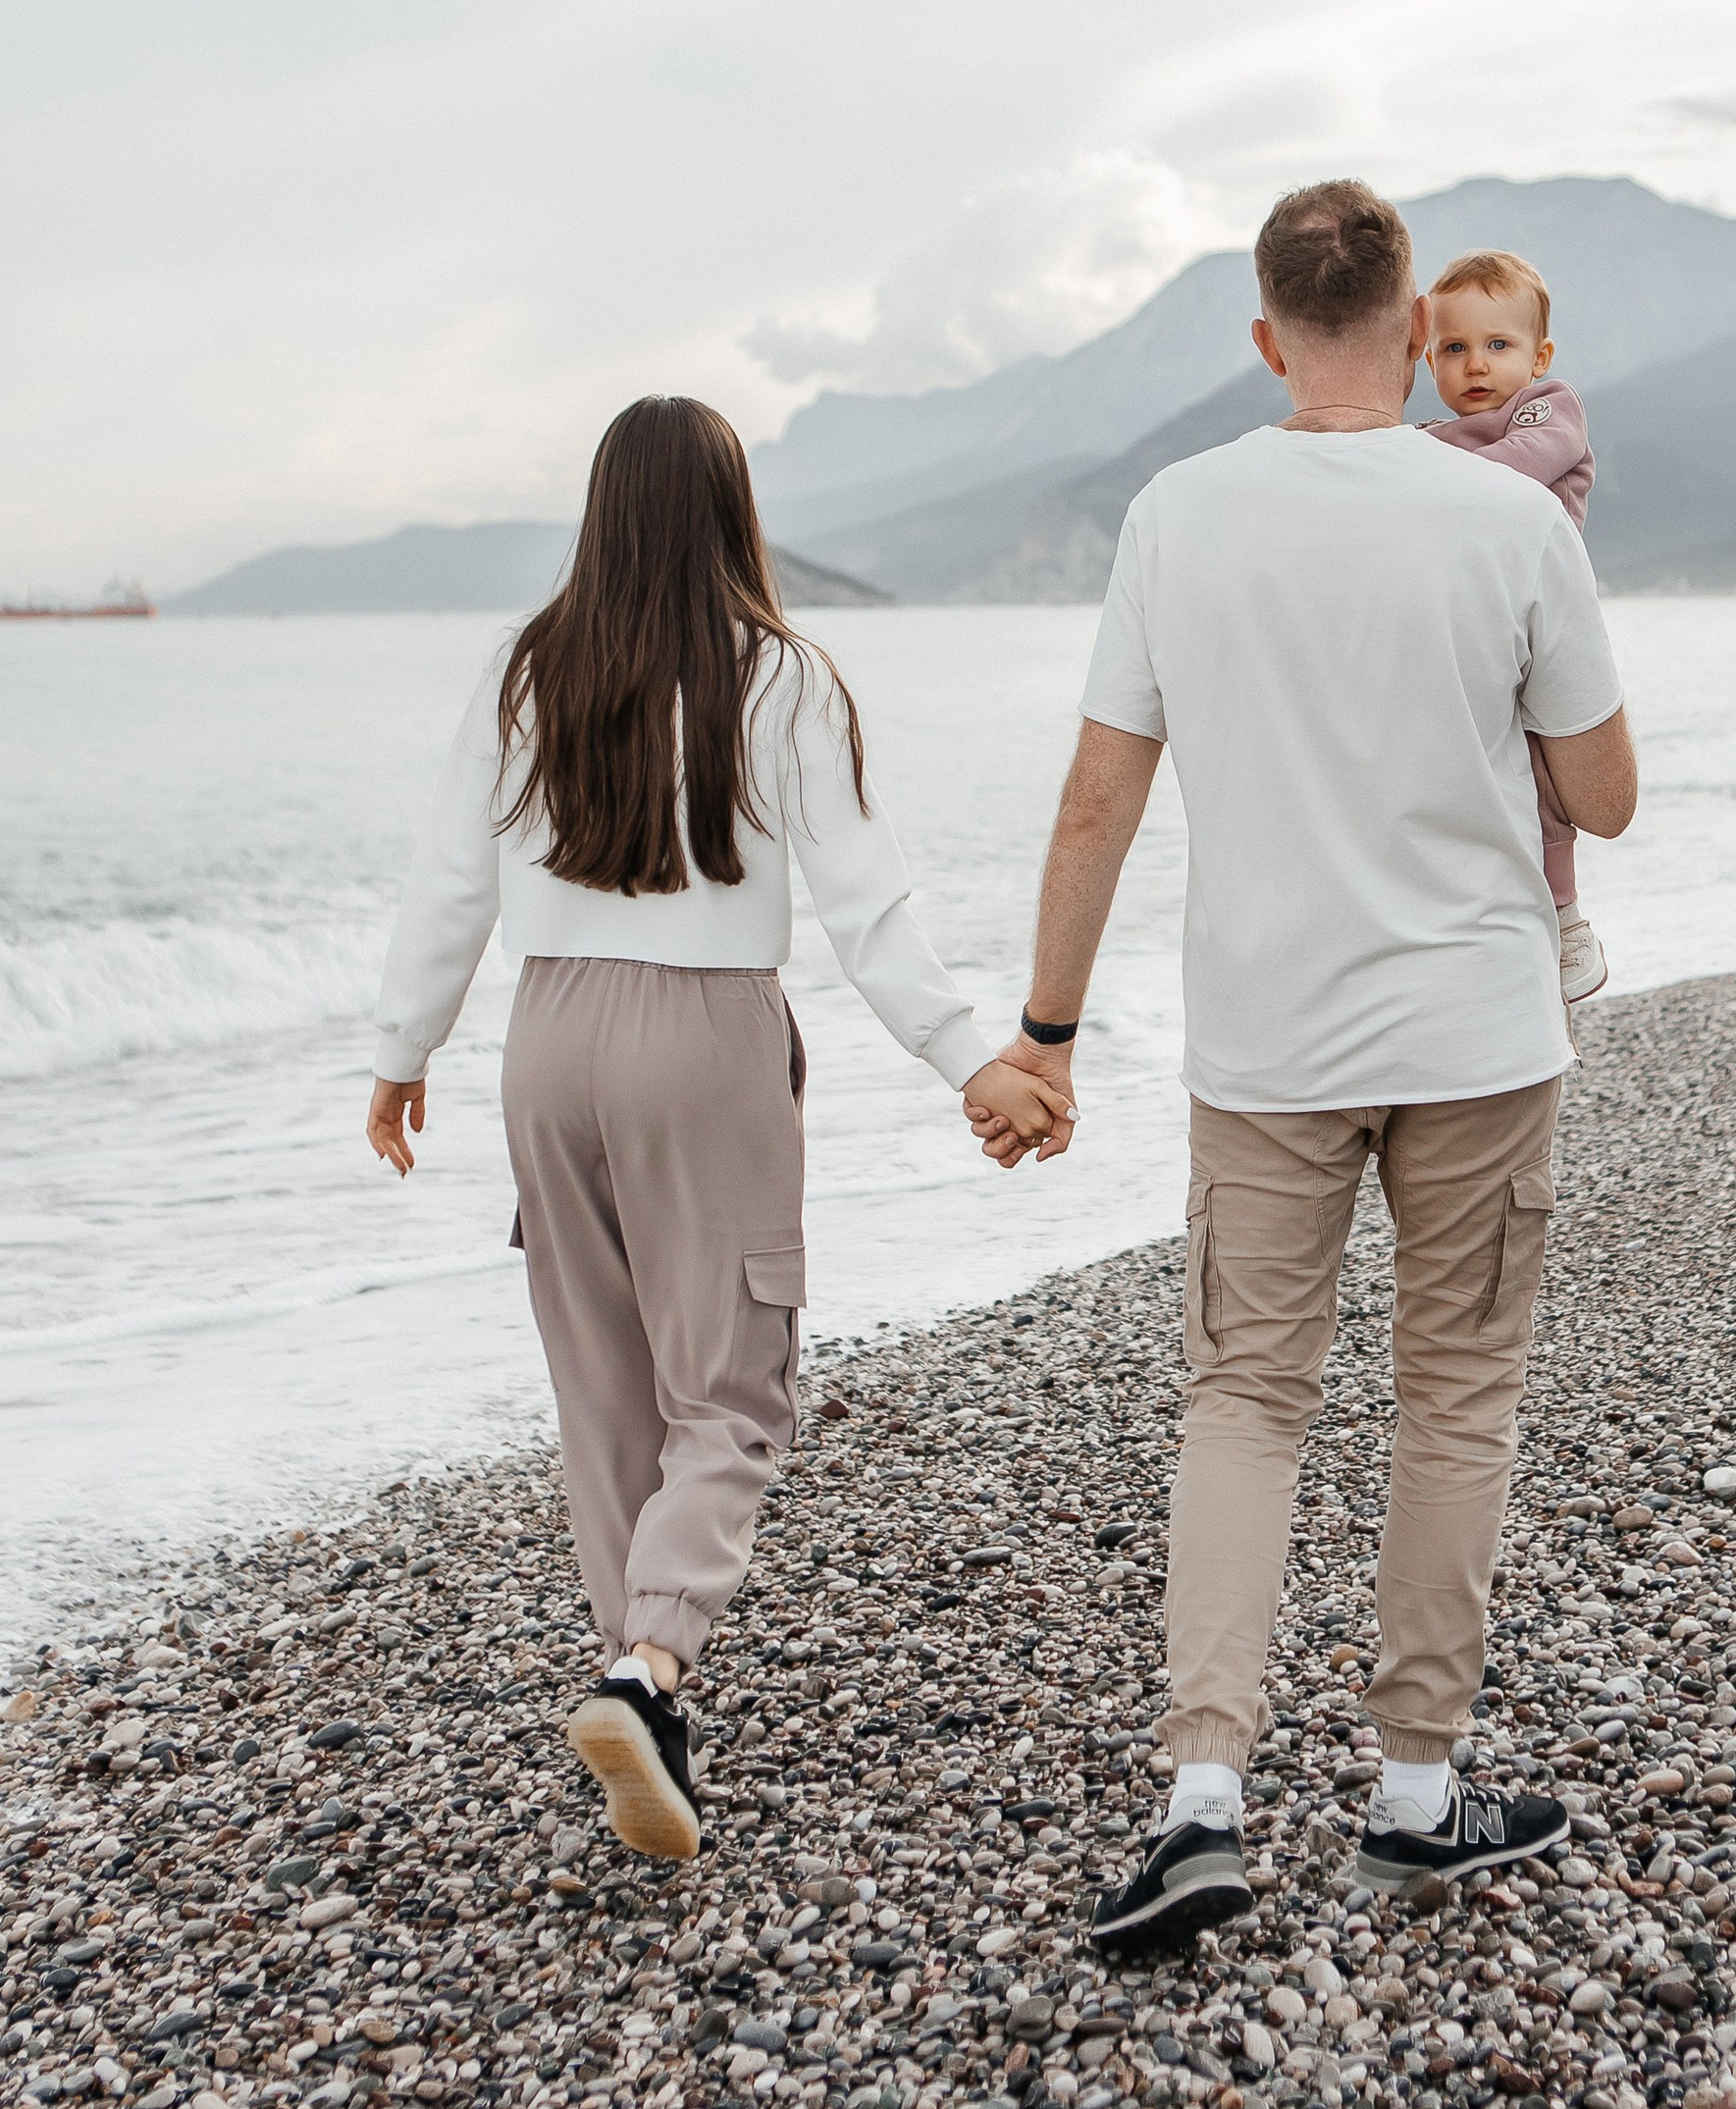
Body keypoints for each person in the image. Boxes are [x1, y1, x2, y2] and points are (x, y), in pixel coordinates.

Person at [967, 180, 1638, 1956]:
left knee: (1245, 1396)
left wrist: (1046, 1031)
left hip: (1267, 1044)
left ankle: (1203, 1796)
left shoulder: (1182, 514)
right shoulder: (1510, 518)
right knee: (1456, 1396)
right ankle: (1418, 1798)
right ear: (1420, 330)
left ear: (1268, 338)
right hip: (1481, 1031)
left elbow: (1099, 796)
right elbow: (1611, 797)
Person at [366, 395, 1065, 1867]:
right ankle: (648, 1666)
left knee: (605, 1385)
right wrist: (971, 1063)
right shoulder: (785, 675)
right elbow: (867, 904)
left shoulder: (522, 668)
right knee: (734, 1391)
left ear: (600, 511)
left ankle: (646, 1693)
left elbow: (448, 881)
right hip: (707, 1041)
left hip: (546, 1042)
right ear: (734, 513)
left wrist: (399, 1050)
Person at [1420, 250, 1606, 1002]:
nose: (1476, 365)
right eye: (1455, 348)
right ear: (1428, 356)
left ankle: (1566, 918)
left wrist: (1416, 476)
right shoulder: (1430, 438)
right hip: (1480, 622)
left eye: (1498, 346)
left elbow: (1525, 465)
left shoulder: (1548, 407)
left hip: (1543, 620)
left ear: (1539, 356)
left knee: (1543, 775)